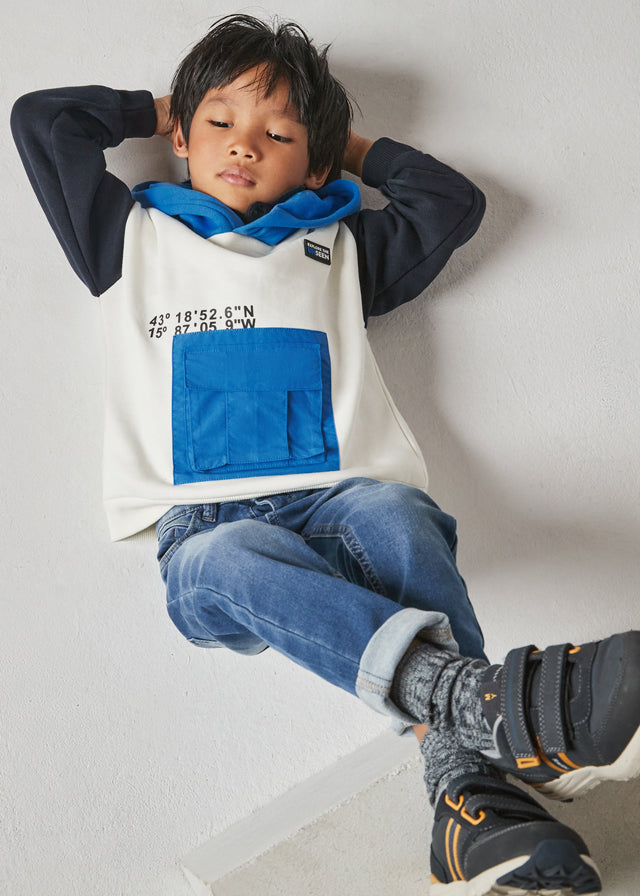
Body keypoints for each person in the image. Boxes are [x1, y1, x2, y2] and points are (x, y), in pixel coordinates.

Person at [11, 14, 640, 895]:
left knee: (398, 514)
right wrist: (164, 109)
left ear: (315, 166)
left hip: (339, 501)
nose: (244, 145)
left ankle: (472, 809)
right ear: (183, 135)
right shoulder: (127, 236)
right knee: (226, 554)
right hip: (203, 533)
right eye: (220, 123)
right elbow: (44, 121)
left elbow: (450, 202)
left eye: (277, 135)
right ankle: (490, 707)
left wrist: (344, 143)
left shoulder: (341, 248)